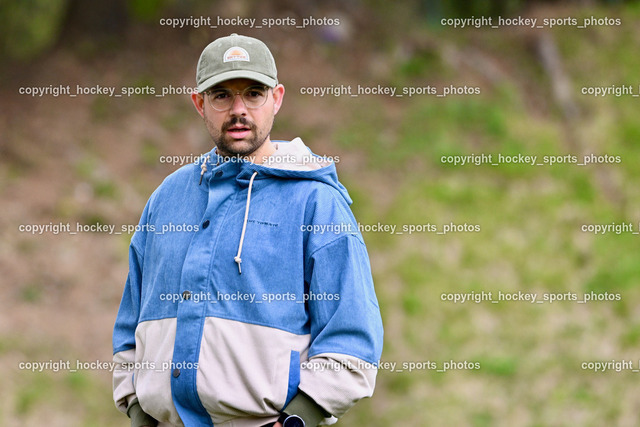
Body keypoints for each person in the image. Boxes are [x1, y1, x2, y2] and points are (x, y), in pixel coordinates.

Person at [112, 33, 383, 427]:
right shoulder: (167, 199)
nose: (238, 110)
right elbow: (130, 325)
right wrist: (139, 412)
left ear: (277, 98)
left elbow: (352, 339)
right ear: (199, 103)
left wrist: (296, 420)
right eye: (222, 95)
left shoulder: (317, 203)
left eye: (254, 94)